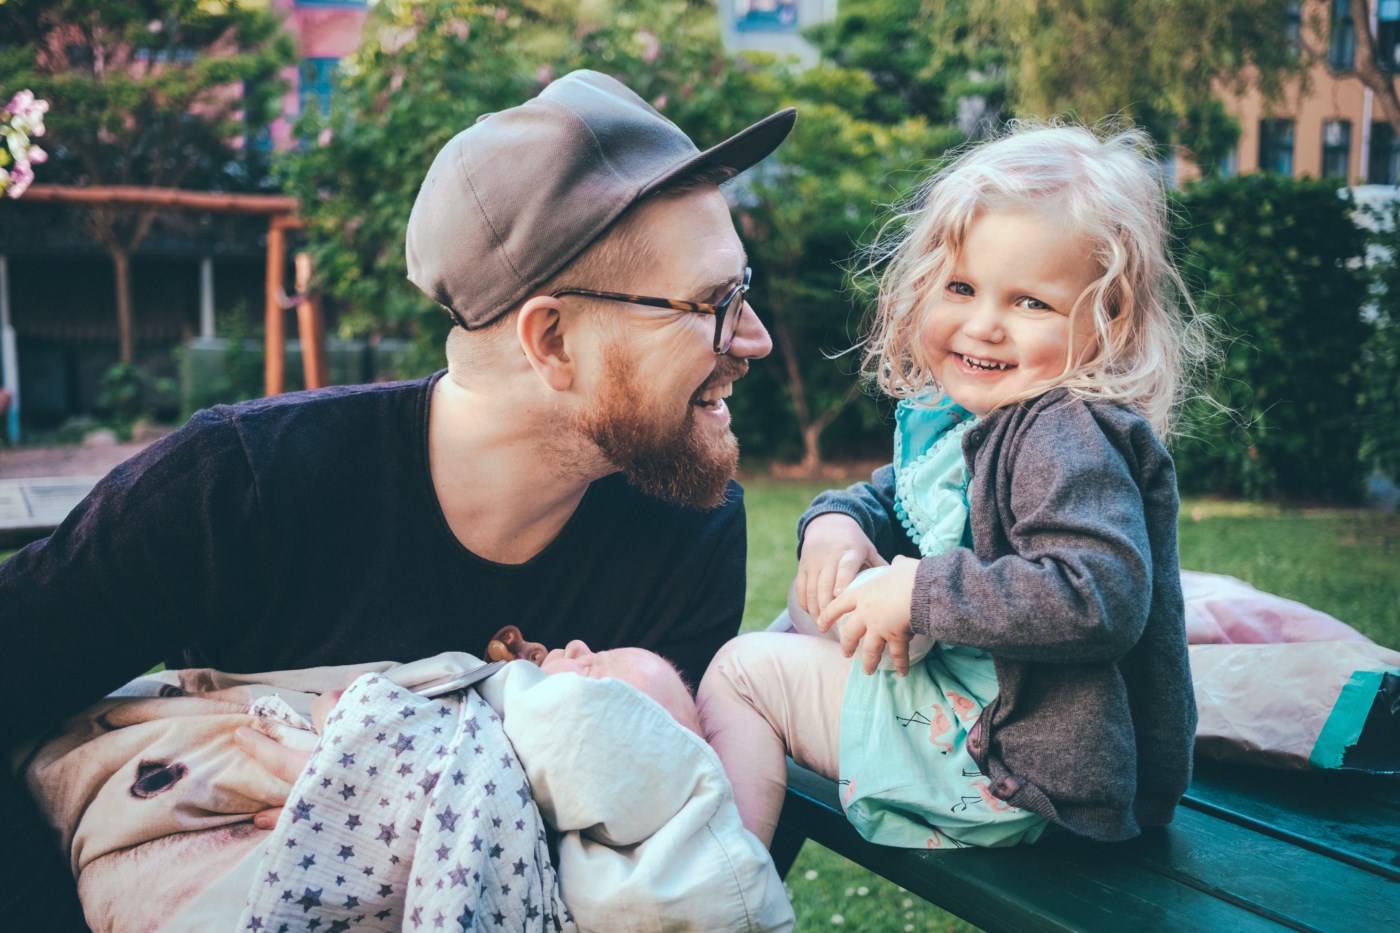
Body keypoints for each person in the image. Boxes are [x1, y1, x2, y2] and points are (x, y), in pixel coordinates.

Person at [1, 69, 795, 925]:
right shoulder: (240, 486)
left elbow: (662, 852)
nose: (755, 336)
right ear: (553, 340)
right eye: (715, 301)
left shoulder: (687, 531)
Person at [698, 123, 1210, 850]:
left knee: (741, 672)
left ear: (1106, 321)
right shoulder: (978, 421)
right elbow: (891, 498)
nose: (984, 324)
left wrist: (919, 595)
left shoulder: (1064, 432)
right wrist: (835, 526)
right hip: (998, 715)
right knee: (814, 600)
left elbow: (1098, 594)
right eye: (962, 287)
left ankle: (724, 884)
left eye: (1030, 302)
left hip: (1023, 769)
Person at [24, 646, 794, 931]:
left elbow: (581, 736)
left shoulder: (586, 733)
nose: (580, 647)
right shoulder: (472, 688)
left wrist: (385, 764)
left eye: (600, 667)